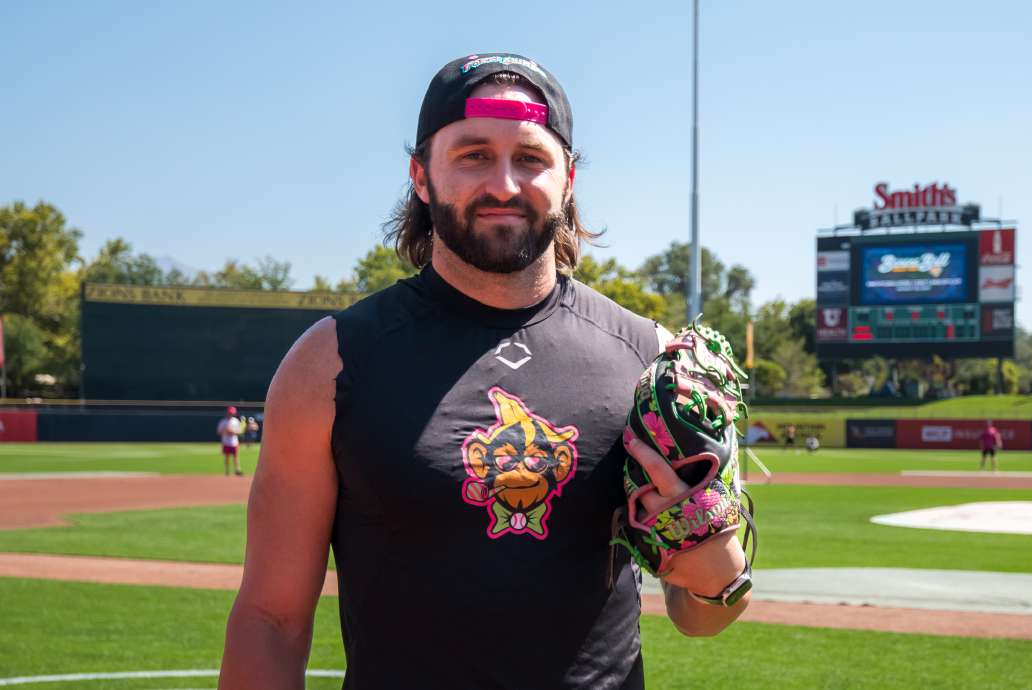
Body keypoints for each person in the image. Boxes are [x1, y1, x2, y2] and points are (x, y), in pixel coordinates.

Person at [220, 53, 749, 690]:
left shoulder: (651, 361)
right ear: (420, 175)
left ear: (569, 178)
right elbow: (271, 620)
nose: (503, 183)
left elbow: (701, 615)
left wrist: (719, 574)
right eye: (473, 155)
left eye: (530, 157)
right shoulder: (331, 362)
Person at [216, 406, 244, 477]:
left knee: (236, 457)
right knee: (227, 457)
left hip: (234, 442)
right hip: (226, 442)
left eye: (232, 413)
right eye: (229, 413)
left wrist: (233, 432)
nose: (230, 414)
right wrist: (226, 431)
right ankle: (227, 471)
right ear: (227, 413)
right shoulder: (223, 421)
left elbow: (240, 431)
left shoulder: (236, 421)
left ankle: (237, 470)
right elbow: (219, 432)